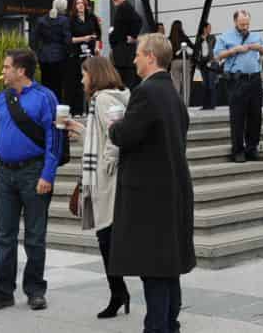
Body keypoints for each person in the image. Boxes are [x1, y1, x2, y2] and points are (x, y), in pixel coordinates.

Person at [107, 33, 195, 333]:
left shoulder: (146, 93)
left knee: (155, 269)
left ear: (151, 57)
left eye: (138, 54)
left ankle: (158, 327)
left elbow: (126, 135)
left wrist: (113, 127)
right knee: (168, 268)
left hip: (149, 195)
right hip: (171, 189)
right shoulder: (172, 92)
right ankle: (170, 324)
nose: (133, 60)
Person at [0, 48, 62, 312]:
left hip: (34, 172)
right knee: (4, 235)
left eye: (6, 67)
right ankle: (2, 292)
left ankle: (35, 290)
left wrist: (47, 174)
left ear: (21, 71)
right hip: (6, 174)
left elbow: (54, 139)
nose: (2, 71)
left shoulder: (45, 98)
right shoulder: (1, 100)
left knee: (35, 236)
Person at [64, 56, 131, 319]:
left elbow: (115, 135)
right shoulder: (110, 98)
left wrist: (107, 163)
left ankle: (118, 293)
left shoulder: (103, 99)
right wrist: (80, 130)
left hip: (108, 182)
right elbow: (101, 135)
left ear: (95, 75)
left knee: (108, 240)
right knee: (107, 241)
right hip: (108, 180)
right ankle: (118, 292)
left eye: (84, 74)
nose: (82, 80)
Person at [215, 10, 263, 163]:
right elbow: (217, 55)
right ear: (235, 22)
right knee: (238, 116)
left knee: (255, 116)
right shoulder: (225, 36)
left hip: (254, 79)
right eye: (242, 24)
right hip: (236, 80)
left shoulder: (256, 36)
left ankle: (252, 149)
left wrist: (258, 48)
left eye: (247, 24)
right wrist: (234, 50)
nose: (245, 27)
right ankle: (238, 150)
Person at [68, 0, 102, 116]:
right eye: (78, 4)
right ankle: (77, 110)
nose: (80, 6)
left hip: (90, 53)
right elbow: (70, 39)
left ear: (86, 5)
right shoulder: (71, 20)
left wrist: (97, 46)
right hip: (77, 54)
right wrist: (84, 38)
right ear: (75, 7)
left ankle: (91, 109)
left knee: (92, 80)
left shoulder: (92, 17)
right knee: (78, 81)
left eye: (82, 3)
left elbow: (98, 34)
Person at [35, 0, 72, 107]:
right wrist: (68, 53)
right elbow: (67, 40)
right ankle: (57, 107)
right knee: (59, 85)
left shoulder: (41, 20)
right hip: (59, 57)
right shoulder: (64, 20)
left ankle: (46, 107)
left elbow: (34, 39)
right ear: (63, 8)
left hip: (44, 57)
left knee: (45, 83)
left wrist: (38, 52)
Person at [108, 0, 142, 90]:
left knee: (125, 82)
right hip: (124, 53)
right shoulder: (124, 7)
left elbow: (138, 20)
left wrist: (132, 36)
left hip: (123, 54)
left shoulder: (124, 7)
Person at [168, 19, 194, 105]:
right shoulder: (184, 37)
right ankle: (185, 103)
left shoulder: (170, 38)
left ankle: (176, 104)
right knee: (186, 83)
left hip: (174, 62)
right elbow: (193, 46)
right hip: (185, 61)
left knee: (176, 83)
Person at [194, 22, 218, 110]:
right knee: (204, 85)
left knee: (211, 84)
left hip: (211, 62)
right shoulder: (199, 39)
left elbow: (214, 49)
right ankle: (205, 105)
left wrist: (205, 39)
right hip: (202, 63)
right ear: (204, 29)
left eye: (210, 28)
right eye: (208, 28)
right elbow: (196, 50)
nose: (210, 29)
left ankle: (212, 104)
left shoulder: (212, 37)